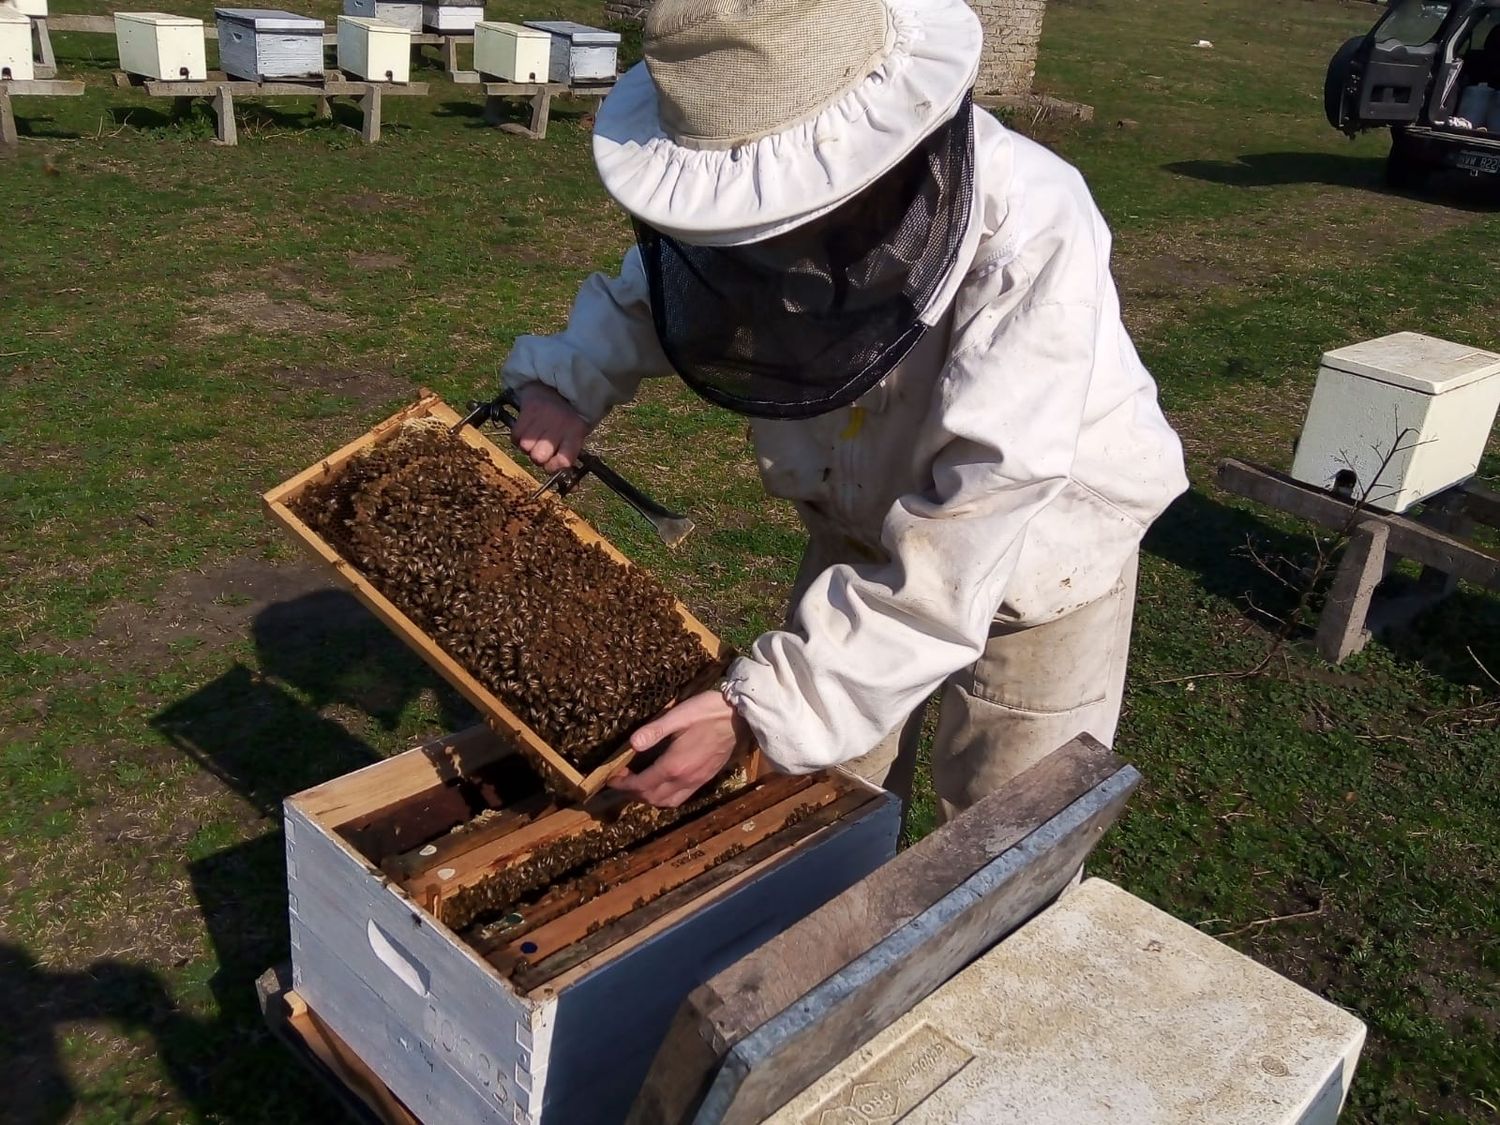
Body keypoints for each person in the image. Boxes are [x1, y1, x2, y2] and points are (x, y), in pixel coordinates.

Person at [501, 0, 1189, 814]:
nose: (757, 246)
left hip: (1044, 542)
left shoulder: (1032, 226)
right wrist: (569, 380)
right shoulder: (751, 214)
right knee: (826, 803)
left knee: (1005, 819)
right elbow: (669, 290)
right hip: (856, 521)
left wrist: (767, 706)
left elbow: (981, 507)